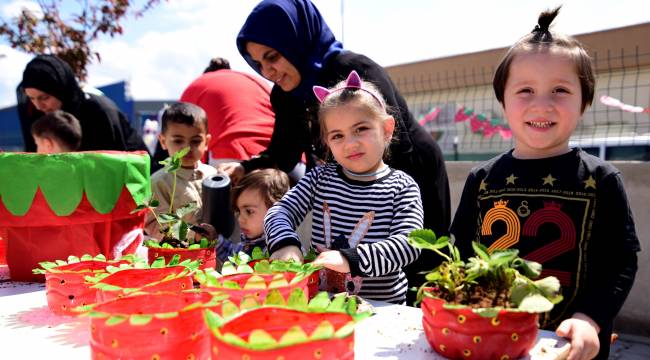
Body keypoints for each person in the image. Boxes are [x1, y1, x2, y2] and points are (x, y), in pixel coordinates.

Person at [222, 0, 450, 303]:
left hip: (411, 166)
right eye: (258, 64)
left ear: (294, 39)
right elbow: (284, 152)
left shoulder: (355, 69)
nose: (268, 71)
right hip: (344, 185)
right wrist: (246, 168)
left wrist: (358, 188)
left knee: (426, 273)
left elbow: (407, 236)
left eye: (272, 56)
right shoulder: (287, 98)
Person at [450, 8, 640, 360]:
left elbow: (620, 262)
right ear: (502, 101)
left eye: (559, 90)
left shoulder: (600, 179)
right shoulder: (482, 179)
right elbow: (460, 253)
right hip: (491, 338)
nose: (542, 104)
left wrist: (590, 319)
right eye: (525, 90)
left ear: (584, 102)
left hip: (567, 346)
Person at [264, 71, 423, 304]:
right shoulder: (320, 178)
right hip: (323, 304)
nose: (350, 143)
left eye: (361, 129)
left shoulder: (402, 187)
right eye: (337, 135)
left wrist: (351, 258)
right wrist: (285, 244)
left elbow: (409, 243)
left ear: (387, 129)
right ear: (327, 142)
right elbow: (279, 212)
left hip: (383, 311)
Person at [19, 54, 147, 153]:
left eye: (44, 97)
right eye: (31, 98)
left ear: (62, 91)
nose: (38, 106)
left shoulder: (100, 112)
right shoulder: (38, 115)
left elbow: (113, 167)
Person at [177, 57, 275, 166]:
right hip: (276, 151)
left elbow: (177, 129)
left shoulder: (197, 84)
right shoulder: (255, 81)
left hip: (228, 152)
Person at [144, 102, 217, 240]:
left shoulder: (214, 175)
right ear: (163, 141)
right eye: (178, 141)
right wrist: (192, 235)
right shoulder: (158, 182)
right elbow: (156, 225)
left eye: (195, 141)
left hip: (216, 252)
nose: (187, 148)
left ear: (206, 142)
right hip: (178, 256)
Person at [215, 168, 290, 263]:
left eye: (249, 211)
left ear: (276, 208)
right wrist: (215, 240)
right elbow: (233, 258)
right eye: (239, 211)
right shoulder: (250, 242)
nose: (240, 219)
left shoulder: (283, 252)